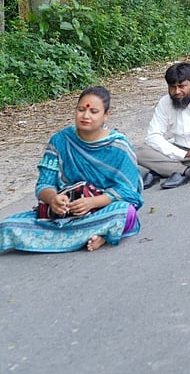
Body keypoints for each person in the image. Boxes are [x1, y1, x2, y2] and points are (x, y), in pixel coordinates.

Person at [0, 87, 143, 253]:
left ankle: (99, 236)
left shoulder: (118, 146)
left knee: (126, 213)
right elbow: (44, 184)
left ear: (106, 115)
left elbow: (128, 192)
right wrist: (53, 199)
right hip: (64, 214)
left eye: (93, 111)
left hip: (101, 210)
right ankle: (98, 233)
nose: (85, 116)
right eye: (81, 109)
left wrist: (91, 202)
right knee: (7, 226)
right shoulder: (60, 140)